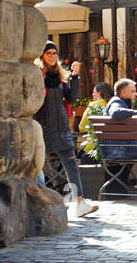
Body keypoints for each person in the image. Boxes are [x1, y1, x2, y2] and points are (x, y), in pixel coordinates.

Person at [32, 41, 97, 219]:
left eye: (55, 53)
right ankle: (40, 203)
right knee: (37, 165)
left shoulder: (59, 76)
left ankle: (80, 203)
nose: (53, 57)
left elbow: (72, 97)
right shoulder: (37, 75)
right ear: (42, 56)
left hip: (60, 127)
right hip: (43, 126)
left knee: (71, 165)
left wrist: (75, 76)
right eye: (49, 53)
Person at [101, 78, 137, 192]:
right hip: (125, 149)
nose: (136, 94)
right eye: (133, 91)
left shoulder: (119, 102)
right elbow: (115, 113)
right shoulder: (116, 102)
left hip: (124, 146)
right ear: (123, 93)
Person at [77, 82, 113, 159]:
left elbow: (82, 127)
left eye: (94, 92)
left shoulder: (93, 105)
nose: (92, 94)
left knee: (81, 155)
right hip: (112, 148)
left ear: (99, 93)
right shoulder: (114, 106)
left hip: (95, 148)